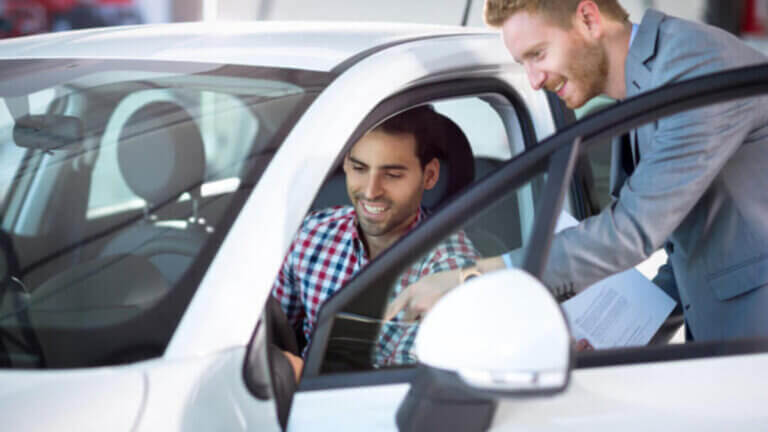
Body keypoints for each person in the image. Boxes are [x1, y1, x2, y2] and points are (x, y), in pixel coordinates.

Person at [388, 0, 768, 343]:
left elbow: (631, 231)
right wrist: (620, 344)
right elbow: (691, 248)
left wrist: (469, 280)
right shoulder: (647, 79)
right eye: (523, 64)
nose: (534, 80)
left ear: (588, 19)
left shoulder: (693, 67)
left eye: (538, 54)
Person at [272, 105, 479, 375]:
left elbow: (405, 388)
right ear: (345, 163)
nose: (370, 192)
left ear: (429, 176)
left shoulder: (448, 270)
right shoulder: (313, 232)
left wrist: (297, 377)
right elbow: (270, 328)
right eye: (359, 168)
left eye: (392, 175)